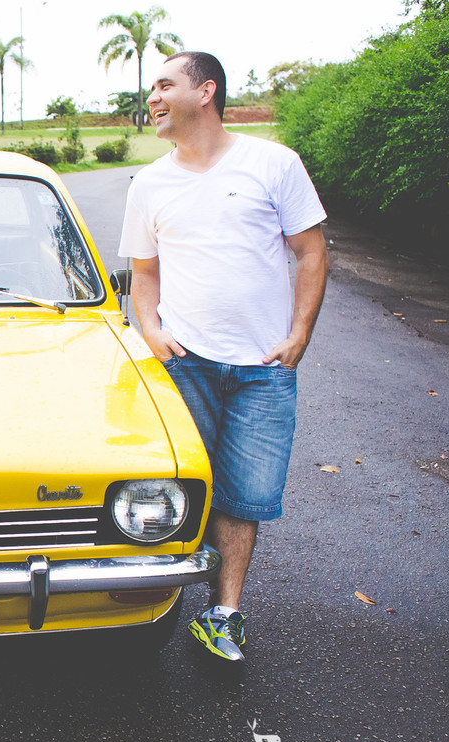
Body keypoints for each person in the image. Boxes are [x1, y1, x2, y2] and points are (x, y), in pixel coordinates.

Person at [118, 52, 329, 664]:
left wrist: (299, 335)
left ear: (205, 91)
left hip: (264, 370)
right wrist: (150, 329)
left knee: (244, 496)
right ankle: (155, 604)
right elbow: (144, 272)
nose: (153, 98)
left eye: (164, 85)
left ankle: (223, 612)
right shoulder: (150, 183)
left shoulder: (274, 163)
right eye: (152, 88)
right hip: (184, 362)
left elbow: (311, 252)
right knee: (180, 489)